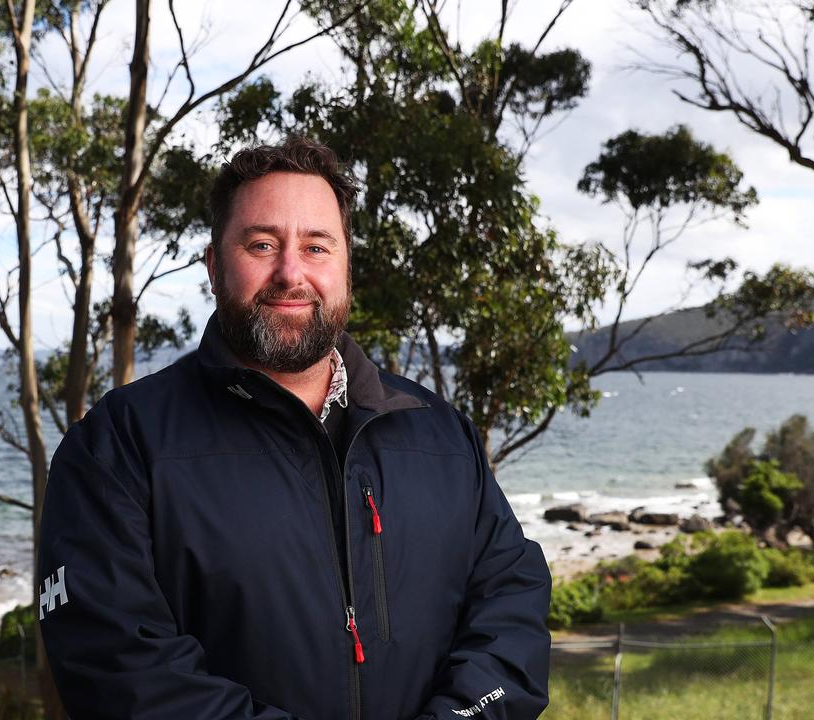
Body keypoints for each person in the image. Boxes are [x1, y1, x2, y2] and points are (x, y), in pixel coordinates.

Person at [37, 136, 551, 719]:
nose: (290, 272)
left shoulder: (440, 435)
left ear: (345, 266)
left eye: (316, 246)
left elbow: (513, 607)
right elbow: (121, 672)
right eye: (261, 244)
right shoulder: (117, 446)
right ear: (213, 266)